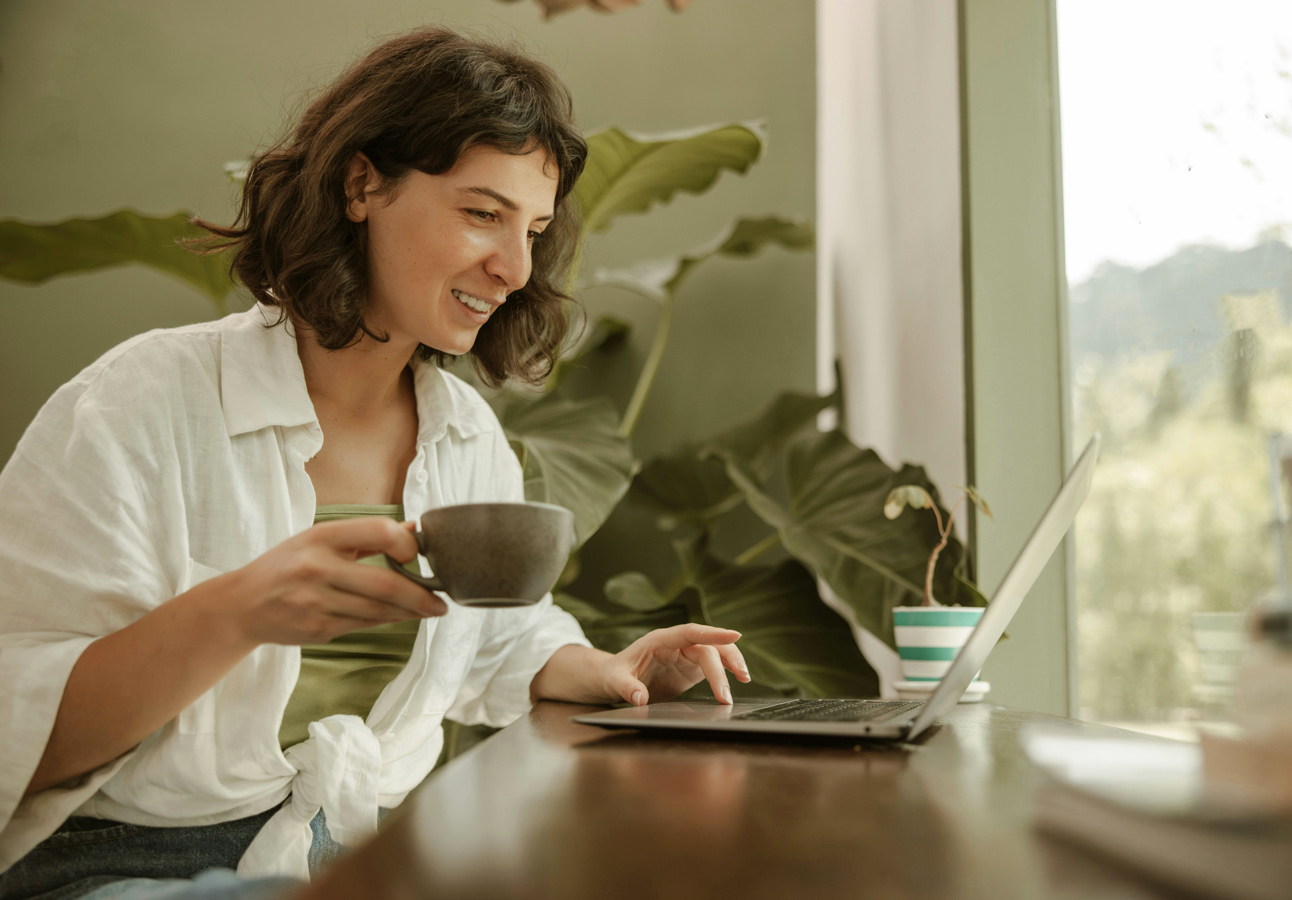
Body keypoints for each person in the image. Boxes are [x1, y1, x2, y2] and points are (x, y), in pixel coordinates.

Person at [0, 27, 749, 900]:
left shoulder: (464, 434)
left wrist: (603, 670)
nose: (513, 268)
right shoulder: (140, 402)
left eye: (534, 230)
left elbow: (498, 641)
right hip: (114, 867)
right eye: (481, 213)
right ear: (363, 185)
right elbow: (24, 727)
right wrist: (236, 612)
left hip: (343, 861)